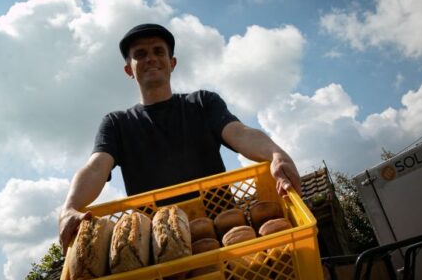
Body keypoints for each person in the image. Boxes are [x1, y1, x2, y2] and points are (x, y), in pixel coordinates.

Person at [58, 23, 302, 252]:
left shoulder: (203, 103)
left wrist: (276, 154)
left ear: (171, 62)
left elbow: (240, 133)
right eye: (140, 54)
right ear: (128, 70)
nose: (150, 58)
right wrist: (69, 208)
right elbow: (95, 168)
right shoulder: (116, 124)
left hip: (226, 233)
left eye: (158, 52)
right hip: (160, 246)